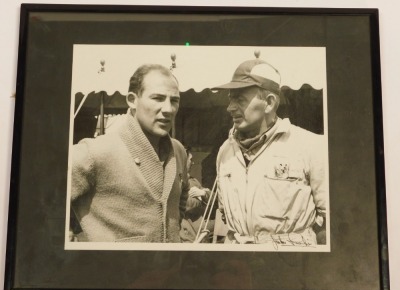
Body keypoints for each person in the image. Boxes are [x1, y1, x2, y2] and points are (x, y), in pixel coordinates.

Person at [212, 58, 327, 245]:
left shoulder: (310, 146)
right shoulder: (226, 152)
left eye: (239, 99)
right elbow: (226, 217)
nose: (230, 107)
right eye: (230, 99)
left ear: (269, 103)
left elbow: (329, 221)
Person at [70, 64, 189, 243]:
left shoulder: (178, 150)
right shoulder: (96, 151)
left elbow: (181, 200)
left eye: (174, 100)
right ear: (132, 100)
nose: (168, 109)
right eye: (158, 98)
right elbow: (44, 197)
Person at [180, 147, 215, 243]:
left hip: (200, 228)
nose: (193, 163)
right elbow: (186, 205)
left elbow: (214, 200)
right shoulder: (178, 181)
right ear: (183, 161)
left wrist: (204, 193)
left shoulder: (193, 180)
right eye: (190, 159)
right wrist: (202, 200)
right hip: (187, 232)